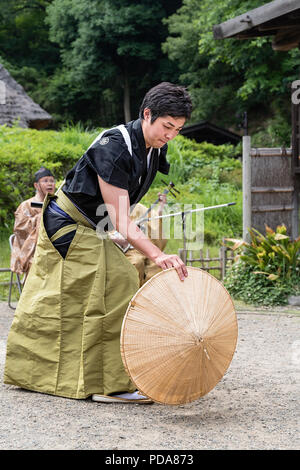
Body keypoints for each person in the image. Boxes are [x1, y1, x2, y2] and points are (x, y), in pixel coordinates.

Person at [4, 82, 192, 404]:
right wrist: (158, 253)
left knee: (107, 282)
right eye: (167, 126)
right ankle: (111, 385)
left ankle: (54, 373)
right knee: (118, 280)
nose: (171, 135)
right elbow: (120, 217)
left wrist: (119, 234)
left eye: (177, 129)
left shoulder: (154, 149)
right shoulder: (115, 144)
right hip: (66, 224)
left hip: (93, 227)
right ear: (147, 114)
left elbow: (124, 204)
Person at [10, 167, 55, 279]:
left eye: (52, 181)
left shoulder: (57, 204)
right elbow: (20, 229)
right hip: (33, 252)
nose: (50, 184)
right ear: (36, 185)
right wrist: (40, 218)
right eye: (45, 181)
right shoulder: (26, 205)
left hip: (53, 248)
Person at [125, 192, 168, 286]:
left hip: (143, 248)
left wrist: (161, 207)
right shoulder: (112, 206)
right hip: (126, 250)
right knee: (137, 262)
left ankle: (152, 296)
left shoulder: (139, 207)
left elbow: (155, 221)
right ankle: (134, 294)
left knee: (159, 265)